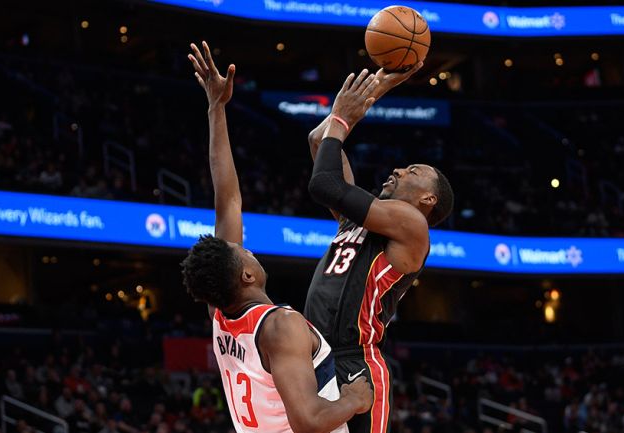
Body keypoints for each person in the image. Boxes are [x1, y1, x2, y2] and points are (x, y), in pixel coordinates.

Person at [180, 41, 373, 433]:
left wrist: (216, 109)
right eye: (243, 251)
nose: (247, 248)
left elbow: (228, 200)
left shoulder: (221, 315)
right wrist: (355, 399)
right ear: (246, 276)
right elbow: (308, 420)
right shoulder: (280, 326)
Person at [304, 66, 454, 433]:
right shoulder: (357, 219)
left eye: (413, 171)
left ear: (428, 198)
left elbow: (324, 184)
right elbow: (316, 139)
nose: (399, 170)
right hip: (312, 357)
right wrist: (370, 94)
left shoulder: (411, 226)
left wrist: (343, 116)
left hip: (355, 361)